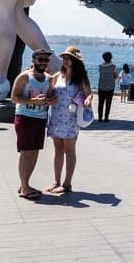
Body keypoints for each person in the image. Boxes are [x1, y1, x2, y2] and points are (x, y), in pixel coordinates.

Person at [46, 46, 94, 194]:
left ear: (75, 61)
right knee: (58, 150)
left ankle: (67, 184)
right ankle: (56, 181)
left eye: (69, 58)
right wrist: (49, 99)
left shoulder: (80, 79)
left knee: (69, 151)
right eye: (64, 58)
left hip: (71, 118)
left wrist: (88, 101)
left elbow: (89, 94)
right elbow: (50, 94)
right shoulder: (57, 76)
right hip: (56, 117)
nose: (65, 60)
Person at [10, 48, 55, 200]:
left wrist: (49, 100)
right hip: (25, 117)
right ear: (33, 60)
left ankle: (25, 184)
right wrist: (32, 101)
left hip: (40, 119)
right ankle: (24, 188)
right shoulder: (25, 77)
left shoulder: (49, 79)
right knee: (26, 152)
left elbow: (50, 97)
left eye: (46, 60)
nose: (43, 62)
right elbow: (14, 98)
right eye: (40, 59)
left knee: (35, 151)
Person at [97, 51, 118, 121]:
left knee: (100, 102)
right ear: (111, 58)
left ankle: (100, 118)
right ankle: (106, 118)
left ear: (103, 58)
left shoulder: (100, 66)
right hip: (110, 87)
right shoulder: (113, 66)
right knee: (108, 103)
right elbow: (116, 76)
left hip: (101, 86)